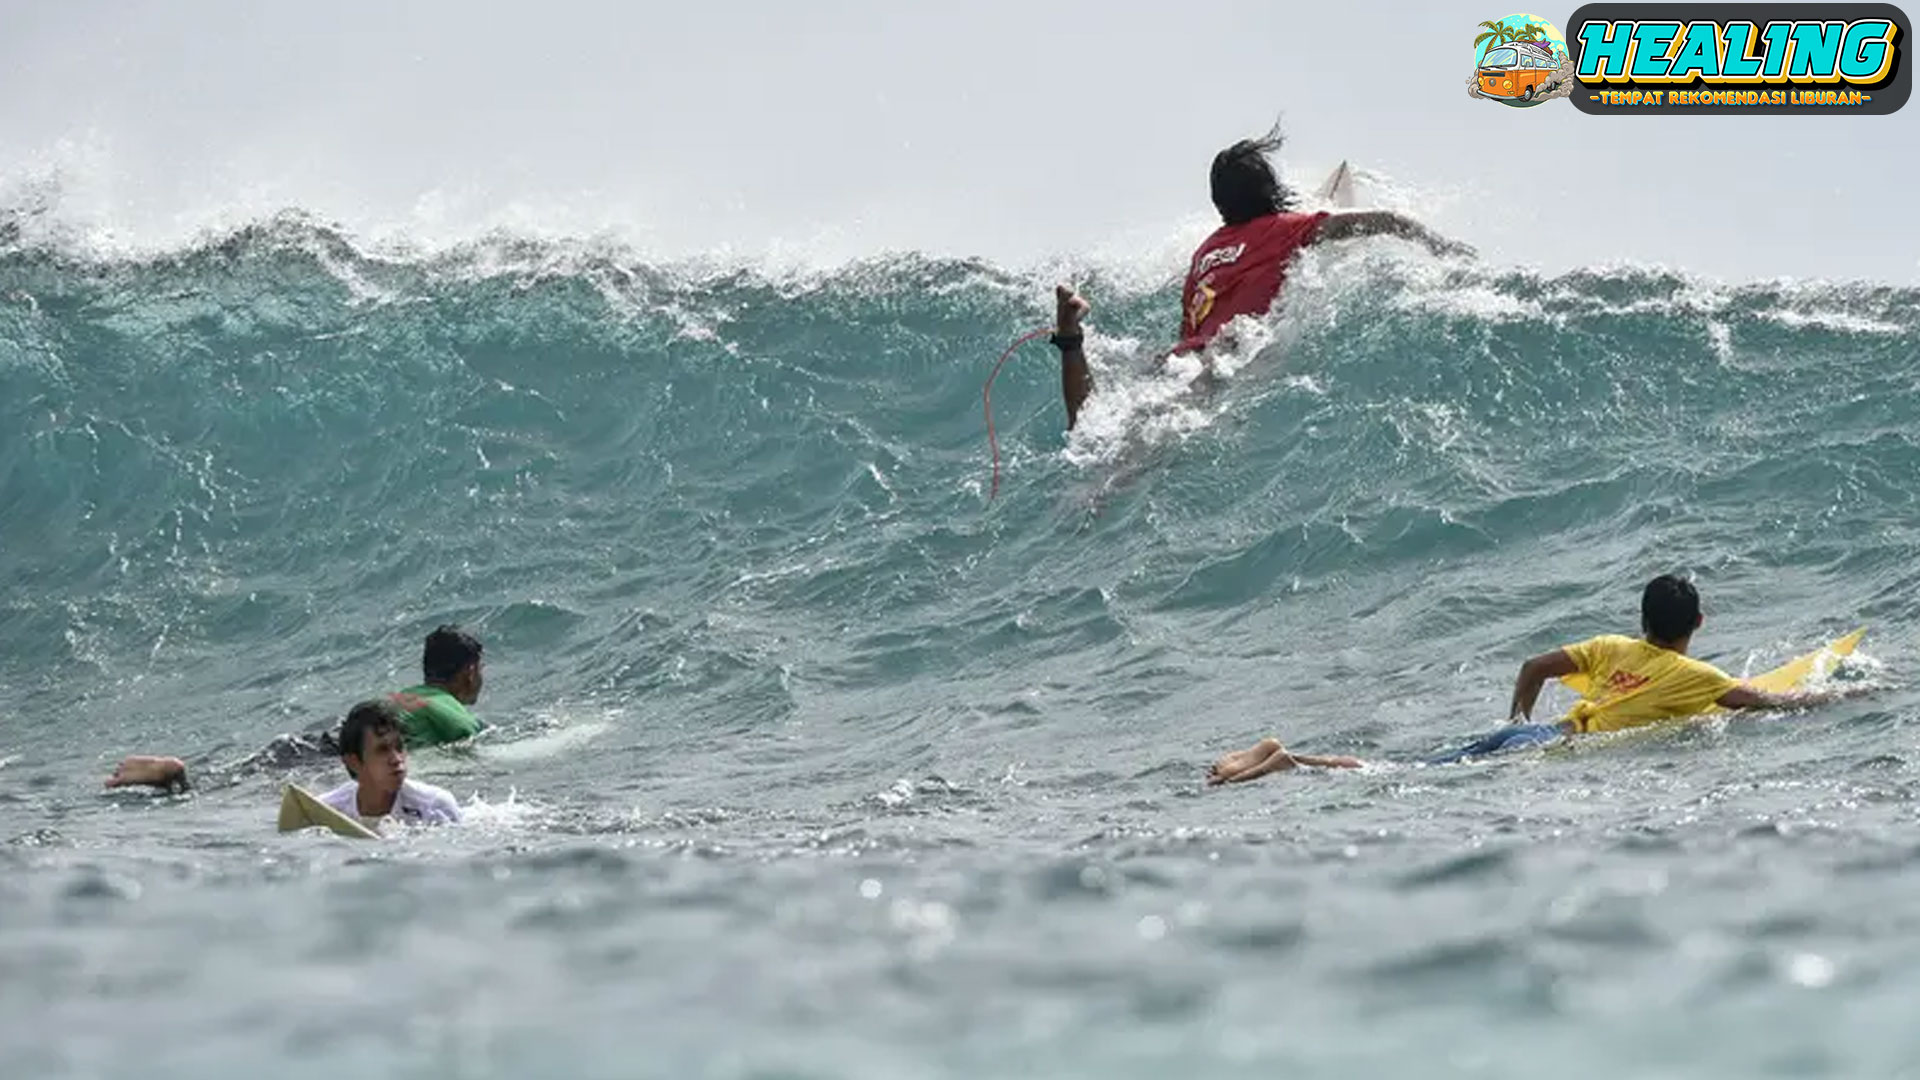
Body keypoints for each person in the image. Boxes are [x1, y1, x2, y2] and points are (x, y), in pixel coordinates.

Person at [1206, 575, 1863, 784]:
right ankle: (1287, 761)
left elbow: (1533, 668)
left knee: (1409, 765)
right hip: (1554, 747)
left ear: (1645, 621)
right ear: (1698, 620)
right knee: (1407, 778)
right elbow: (1772, 702)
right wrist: (1852, 695)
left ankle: (1286, 755)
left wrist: (1517, 724)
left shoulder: (1612, 647)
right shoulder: (1698, 676)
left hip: (1532, 731)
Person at [1052, 124, 1475, 430]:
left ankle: (1071, 340)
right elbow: (1382, 220)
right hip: (1224, 355)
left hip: (1182, 355)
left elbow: (1193, 323)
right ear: (1268, 189)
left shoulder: (1204, 254)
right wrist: (1443, 249)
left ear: (1220, 204)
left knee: (1097, 428)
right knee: (1146, 445)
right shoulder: (1287, 228)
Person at [103, 624, 487, 792]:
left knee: (232, 779)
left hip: (308, 742)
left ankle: (178, 774)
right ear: (469, 672)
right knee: (225, 791)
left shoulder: (406, 695)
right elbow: (479, 751)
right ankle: (175, 775)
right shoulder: (449, 709)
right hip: (330, 756)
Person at [317, 699, 461, 826]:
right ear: (354, 762)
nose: (397, 759)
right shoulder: (327, 811)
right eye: (382, 750)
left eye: (399, 747)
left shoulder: (434, 806)